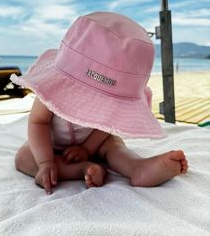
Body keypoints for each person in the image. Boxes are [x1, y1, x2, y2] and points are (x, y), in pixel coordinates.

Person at [11, 12, 188, 195]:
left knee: (114, 146)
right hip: (50, 144)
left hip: (93, 143)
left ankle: (137, 167)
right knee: (24, 157)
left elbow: (107, 125)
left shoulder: (111, 104)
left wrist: (87, 149)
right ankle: (79, 170)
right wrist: (45, 161)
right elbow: (38, 123)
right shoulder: (52, 90)